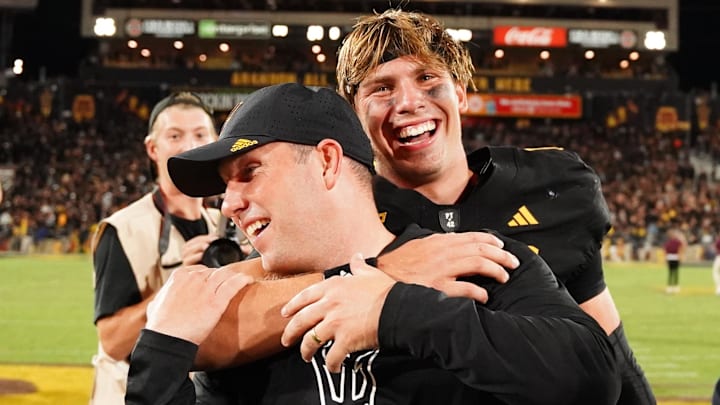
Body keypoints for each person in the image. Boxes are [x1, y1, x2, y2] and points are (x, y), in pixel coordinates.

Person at [126, 82, 620, 404]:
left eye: (249, 172)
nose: (229, 203)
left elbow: (595, 380)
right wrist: (161, 356)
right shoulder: (241, 310)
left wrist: (396, 311)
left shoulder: (471, 259)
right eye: (226, 184)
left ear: (326, 162)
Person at [89, 92, 225, 404]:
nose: (189, 145)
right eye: (175, 135)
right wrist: (174, 287)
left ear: (215, 141)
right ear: (153, 147)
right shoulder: (123, 228)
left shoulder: (228, 224)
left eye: (200, 134)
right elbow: (111, 341)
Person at [663, 227, 685, 294]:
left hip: (670, 258)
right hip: (675, 257)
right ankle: (675, 287)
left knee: (671, 273)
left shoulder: (667, 243)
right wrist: (680, 257)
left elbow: (665, 252)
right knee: (675, 272)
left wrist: (665, 259)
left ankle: (670, 287)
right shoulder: (678, 242)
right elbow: (681, 249)